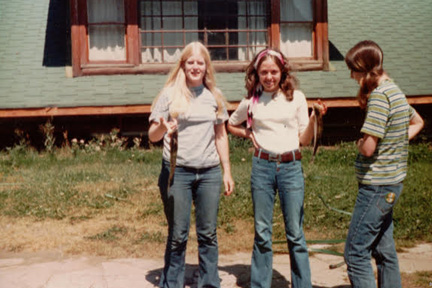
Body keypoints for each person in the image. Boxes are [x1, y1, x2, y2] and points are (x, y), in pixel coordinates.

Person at [227, 48, 324, 288]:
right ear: (256, 74)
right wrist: (248, 134)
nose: (269, 77)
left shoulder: (297, 98)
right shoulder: (251, 101)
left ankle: (303, 284)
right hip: (262, 168)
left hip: (291, 167)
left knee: (296, 234)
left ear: (282, 72)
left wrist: (314, 117)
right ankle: (260, 284)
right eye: (264, 72)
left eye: (274, 71)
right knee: (262, 232)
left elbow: (303, 140)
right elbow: (230, 124)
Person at [148, 41, 234, 288]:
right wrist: (163, 127)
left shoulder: (214, 97)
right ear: (183, 66)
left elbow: (221, 135)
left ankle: (209, 283)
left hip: (209, 173)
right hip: (178, 173)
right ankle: (171, 283)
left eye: (200, 62)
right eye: (191, 62)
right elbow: (152, 135)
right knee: (178, 235)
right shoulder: (169, 95)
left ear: (206, 67)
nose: (195, 67)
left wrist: (226, 170)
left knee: (208, 234)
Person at [343, 40, 424, 288]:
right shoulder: (396, 91)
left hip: (376, 187)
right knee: (384, 251)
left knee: (355, 253)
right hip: (392, 185)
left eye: (353, 70)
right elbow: (417, 122)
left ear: (364, 69)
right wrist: (394, 141)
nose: (351, 75)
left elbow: (368, 148)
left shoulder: (379, 96)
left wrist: (359, 143)